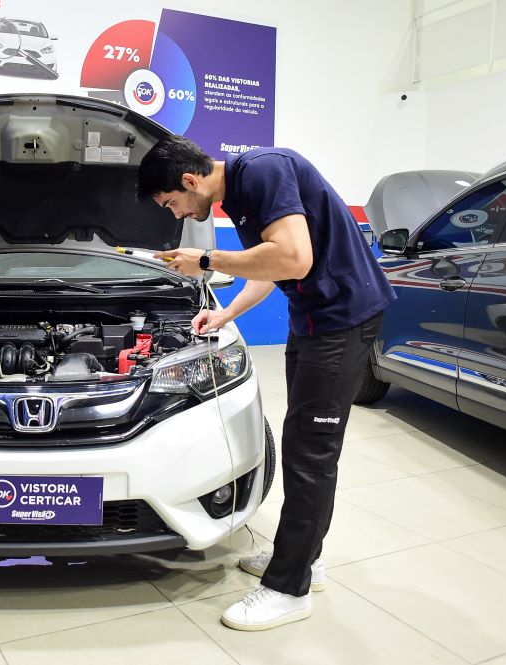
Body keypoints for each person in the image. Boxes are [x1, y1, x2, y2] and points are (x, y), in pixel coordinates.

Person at [137, 137, 395, 631]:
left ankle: (288, 590)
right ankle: (304, 560)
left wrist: (207, 261)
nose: (177, 215)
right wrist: (226, 313)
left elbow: (293, 259)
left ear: (190, 181)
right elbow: (272, 265)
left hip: (341, 322)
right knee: (303, 445)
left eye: (172, 203)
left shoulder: (261, 171)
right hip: (315, 320)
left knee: (310, 455)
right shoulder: (242, 189)